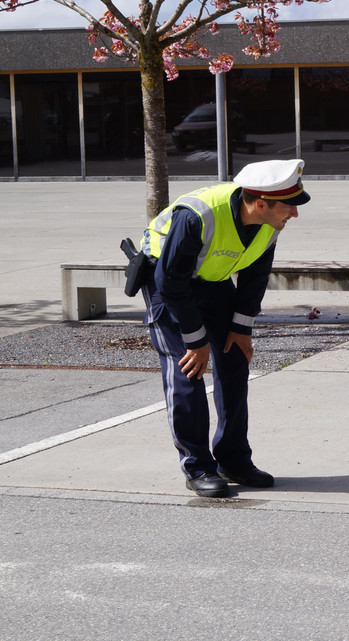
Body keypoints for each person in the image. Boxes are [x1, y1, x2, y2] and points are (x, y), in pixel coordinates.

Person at [139, 159, 311, 498]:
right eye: (289, 207)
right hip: (166, 283)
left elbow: (255, 276)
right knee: (188, 369)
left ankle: (233, 460)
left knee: (234, 361)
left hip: (212, 282)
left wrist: (241, 327)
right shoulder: (198, 216)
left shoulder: (268, 223)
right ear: (261, 203)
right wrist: (196, 340)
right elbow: (171, 282)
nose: (294, 215)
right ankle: (198, 466)